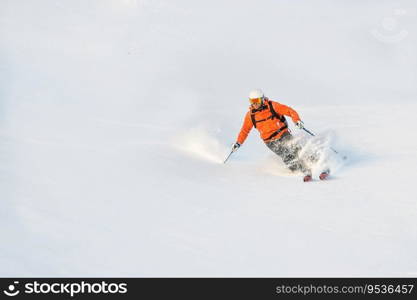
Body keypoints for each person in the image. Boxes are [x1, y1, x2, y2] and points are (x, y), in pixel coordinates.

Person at [232, 89, 329, 182]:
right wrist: (238, 143)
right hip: (269, 141)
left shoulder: (273, 106)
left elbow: (289, 111)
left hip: (282, 134)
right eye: (252, 101)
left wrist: (297, 120)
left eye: (256, 100)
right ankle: (302, 171)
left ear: (262, 99)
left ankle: (320, 163)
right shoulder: (250, 115)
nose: (255, 104)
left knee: (296, 149)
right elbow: (244, 130)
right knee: (286, 155)